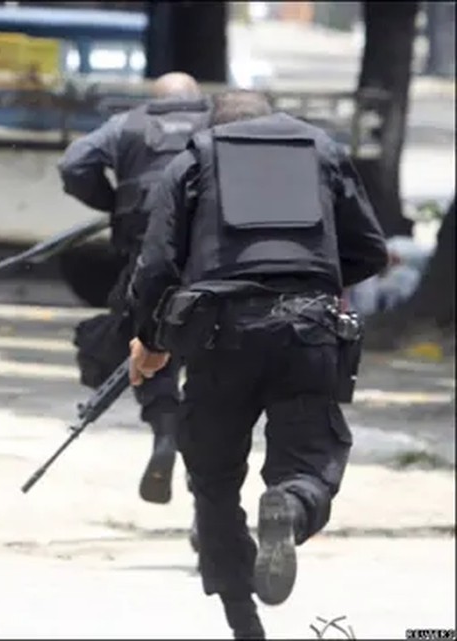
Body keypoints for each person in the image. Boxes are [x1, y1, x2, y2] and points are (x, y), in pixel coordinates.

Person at [126, 90, 388, 638]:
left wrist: (151, 339)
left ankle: (245, 625)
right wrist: (312, 276)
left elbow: (155, 267)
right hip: (309, 332)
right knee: (310, 459)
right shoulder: (324, 151)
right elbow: (369, 250)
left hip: (221, 334)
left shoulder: (194, 158)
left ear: (216, 126)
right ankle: (289, 509)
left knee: (213, 482)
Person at [57, 72, 212, 505]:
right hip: (214, 262)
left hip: (146, 257)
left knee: (147, 340)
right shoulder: (219, 123)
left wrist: (114, 201)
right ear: (197, 98)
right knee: (212, 364)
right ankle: (205, 482)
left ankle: (165, 432)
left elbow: (73, 165)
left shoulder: (128, 124)